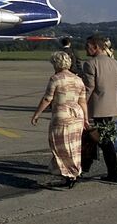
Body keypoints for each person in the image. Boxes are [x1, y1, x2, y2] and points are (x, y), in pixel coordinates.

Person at [31, 51, 88, 188]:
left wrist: (37, 114)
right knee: (74, 146)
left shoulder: (56, 79)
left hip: (62, 115)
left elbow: (47, 98)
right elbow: (83, 101)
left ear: (56, 64)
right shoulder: (78, 79)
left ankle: (68, 173)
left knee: (59, 145)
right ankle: (74, 171)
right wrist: (86, 118)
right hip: (77, 115)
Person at [81, 34, 117, 183]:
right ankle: (86, 167)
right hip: (111, 108)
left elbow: (89, 88)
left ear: (96, 47)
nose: (85, 49)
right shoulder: (115, 64)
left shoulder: (90, 64)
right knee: (98, 139)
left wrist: (79, 104)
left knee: (103, 141)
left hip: (98, 109)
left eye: (87, 46)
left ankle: (113, 172)